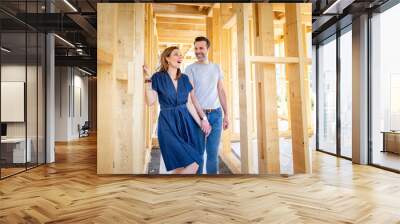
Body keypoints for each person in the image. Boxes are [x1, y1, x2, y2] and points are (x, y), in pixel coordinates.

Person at [143, 46, 212, 174]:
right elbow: (150, 101)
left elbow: (190, 104)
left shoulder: (184, 78)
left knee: (182, 166)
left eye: (181, 55)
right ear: (167, 59)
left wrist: (202, 122)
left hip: (185, 124)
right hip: (167, 125)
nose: (180, 57)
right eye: (176, 54)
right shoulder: (157, 77)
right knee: (194, 163)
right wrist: (147, 79)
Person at [184, 36, 229, 174]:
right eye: (196, 48)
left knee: (212, 155)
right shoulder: (190, 69)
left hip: (216, 114)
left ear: (207, 49)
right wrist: (203, 118)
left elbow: (221, 90)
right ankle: (198, 186)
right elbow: (192, 96)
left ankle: (211, 186)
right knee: (198, 155)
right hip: (198, 116)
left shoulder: (216, 68)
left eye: (201, 48)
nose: (198, 51)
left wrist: (226, 114)